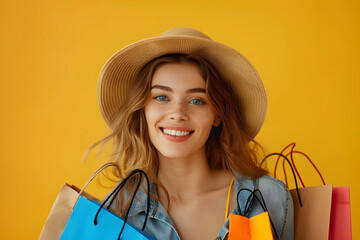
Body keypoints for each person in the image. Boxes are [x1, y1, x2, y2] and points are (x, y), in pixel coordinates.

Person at [93, 28, 294, 240]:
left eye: (196, 101)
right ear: (142, 109)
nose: (177, 114)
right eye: (161, 97)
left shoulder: (266, 197)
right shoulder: (118, 209)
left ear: (218, 114)